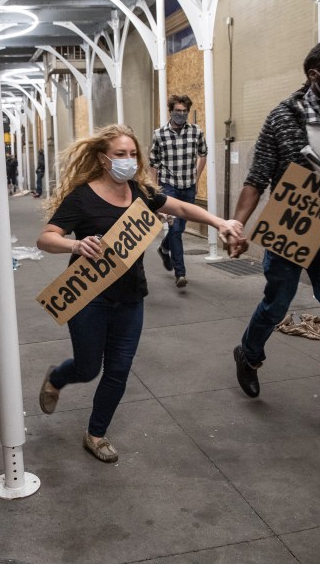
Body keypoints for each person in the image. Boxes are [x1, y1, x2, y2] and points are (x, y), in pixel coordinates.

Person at [36, 124, 243, 463]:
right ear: (104, 159)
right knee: (89, 368)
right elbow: (46, 237)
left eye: (133, 154)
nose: (128, 160)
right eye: (120, 155)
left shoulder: (141, 193)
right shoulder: (82, 197)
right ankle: (57, 377)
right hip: (87, 296)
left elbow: (183, 209)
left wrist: (219, 222)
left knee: (118, 369)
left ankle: (96, 433)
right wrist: (75, 243)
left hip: (130, 297)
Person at [228, 37, 320, 433]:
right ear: (314, 75)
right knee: (277, 305)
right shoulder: (282, 118)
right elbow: (257, 178)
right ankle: (249, 353)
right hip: (289, 228)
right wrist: (237, 224)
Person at [149, 94, 208, 289]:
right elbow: (153, 163)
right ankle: (180, 273)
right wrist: (154, 189)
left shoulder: (196, 131)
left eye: (184, 111)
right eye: (178, 111)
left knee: (180, 228)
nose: (181, 114)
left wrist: (196, 177)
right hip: (169, 186)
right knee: (175, 229)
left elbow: (203, 154)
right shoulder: (160, 134)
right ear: (171, 111)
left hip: (188, 186)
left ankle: (164, 249)